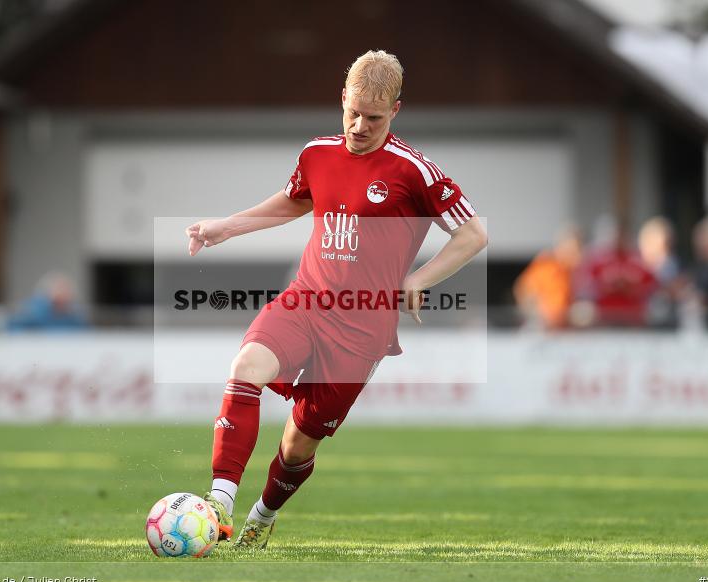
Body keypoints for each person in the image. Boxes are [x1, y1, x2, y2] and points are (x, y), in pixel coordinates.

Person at [185, 50, 488, 549]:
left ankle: (263, 514)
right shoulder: (317, 153)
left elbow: (473, 234)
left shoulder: (415, 171)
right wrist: (225, 227)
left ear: (396, 110)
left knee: (299, 443)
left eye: (373, 117)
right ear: (341, 99)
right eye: (353, 113)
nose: (359, 126)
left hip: (362, 331)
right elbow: (293, 200)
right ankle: (219, 501)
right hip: (305, 301)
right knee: (247, 366)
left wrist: (419, 280)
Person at [513, 226, 582, 330]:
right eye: (572, 251)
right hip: (541, 329)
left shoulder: (572, 272)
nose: (576, 256)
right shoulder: (546, 264)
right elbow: (523, 292)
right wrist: (539, 315)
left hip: (562, 330)